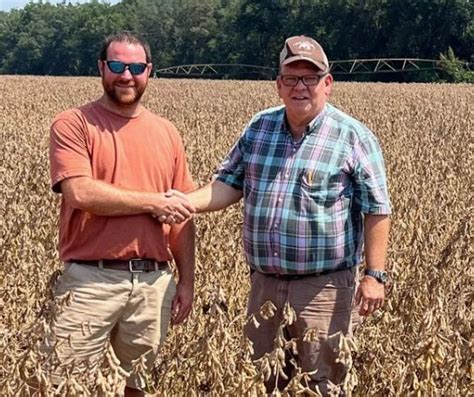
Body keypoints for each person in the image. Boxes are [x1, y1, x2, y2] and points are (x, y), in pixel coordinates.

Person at [168, 35, 391, 395]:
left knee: (324, 384)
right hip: (264, 287)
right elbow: (227, 184)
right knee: (265, 380)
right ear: (279, 84)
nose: (300, 87)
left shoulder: (353, 136)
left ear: (327, 84)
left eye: (310, 78)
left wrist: (375, 275)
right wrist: (182, 203)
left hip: (324, 288)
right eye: (291, 78)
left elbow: (377, 207)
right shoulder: (259, 129)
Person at [48, 31, 195, 396]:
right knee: (63, 382)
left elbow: (182, 216)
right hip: (89, 281)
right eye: (116, 66)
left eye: (135, 67)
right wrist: (152, 202)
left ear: (149, 71)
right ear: (101, 68)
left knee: (136, 386)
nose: (126, 76)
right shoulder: (74, 123)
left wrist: (187, 281)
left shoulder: (167, 133)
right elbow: (80, 191)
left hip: (153, 283)